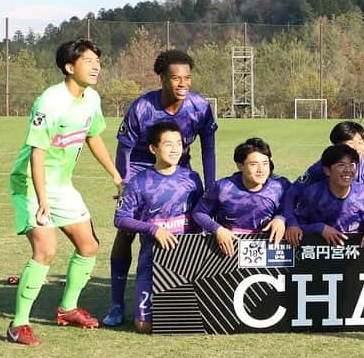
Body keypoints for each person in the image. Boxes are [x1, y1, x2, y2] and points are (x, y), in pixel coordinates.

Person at [6, 40, 124, 345]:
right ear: (69, 67)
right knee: (46, 249)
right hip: (31, 182)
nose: (96, 66)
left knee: (89, 246)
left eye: (98, 60)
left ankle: (67, 309)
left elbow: (93, 137)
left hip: (61, 185)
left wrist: (115, 175)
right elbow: (37, 153)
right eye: (88, 61)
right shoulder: (49, 101)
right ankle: (18, 325)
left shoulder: (92, 99)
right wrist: (43, 199)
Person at [104, 49, 217, 327]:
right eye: (176, 78)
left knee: (190, 225)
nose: (183, 84)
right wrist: (124, 181)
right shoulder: (142, 107)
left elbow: (209, 148)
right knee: (126, 231)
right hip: (142, 168)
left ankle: (184, 291)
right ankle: (117, 303)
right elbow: (125, 149)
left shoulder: (200, 106)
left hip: (180, 165)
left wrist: (211, 188)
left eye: (188, 78)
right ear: (162, 78)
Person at [113, 122, 203, 333]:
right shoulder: (138, 182)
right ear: (153, 149)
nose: (175, 149)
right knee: (144, 327)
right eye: (168, 144)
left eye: (179, 144)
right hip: (152, 262)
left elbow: (200, 213)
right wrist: (154, 229)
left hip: (186, 261)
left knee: (192, 322)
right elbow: (120, 219)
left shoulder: (192, 178)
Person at [192, 137, 300, 258]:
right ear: (240, 166)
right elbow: (199, 212)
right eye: (254, 164)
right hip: (228, 252)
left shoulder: (280, 186)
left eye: (265, 163)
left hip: (270, 252)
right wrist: (217, 229)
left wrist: (281, 218)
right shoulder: (223, 187)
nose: (261, 170)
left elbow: (295, 206)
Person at [297, 144, 364, 249]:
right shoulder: (312, 194)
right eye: (341, 165)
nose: (348, 170)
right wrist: (320, 228)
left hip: (354, 258)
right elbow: (296, 226)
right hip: (319, 258)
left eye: (352, 164)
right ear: (327, 170)